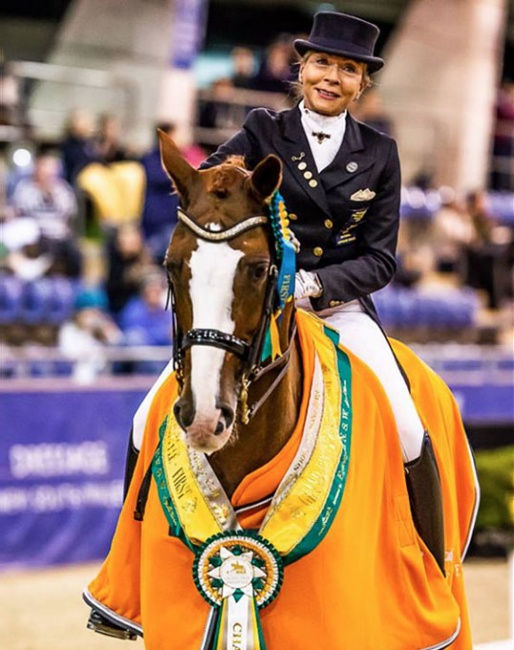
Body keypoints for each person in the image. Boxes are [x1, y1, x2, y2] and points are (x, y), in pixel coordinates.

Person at [201, 11, 445, 573]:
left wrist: (313, 282)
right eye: (323, 63)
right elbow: (210, 194)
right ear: (303, 68)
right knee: (149, 417)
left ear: (364, 83)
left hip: (338, 310)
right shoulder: (264, 128)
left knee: (408, 426)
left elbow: (381, 258)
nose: (332, 77)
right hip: (258, 309)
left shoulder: (381, 153)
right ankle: (128, 579)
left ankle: (431, 566)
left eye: (348, 69)